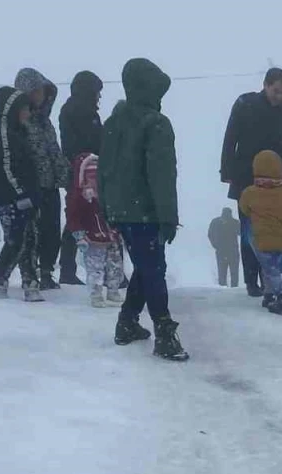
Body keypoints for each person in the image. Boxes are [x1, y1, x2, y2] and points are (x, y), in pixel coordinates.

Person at [99, 58, 188, 361]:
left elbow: (104, 171)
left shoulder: (113, 123)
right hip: (147, 211)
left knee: (145, 264)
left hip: (122, 211)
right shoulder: (156, 123)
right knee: (153, 268)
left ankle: (127, 323)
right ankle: (164, 332)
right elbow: (162, 174)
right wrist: (168, 217)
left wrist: (107, 207)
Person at [220, 68, 282, 298]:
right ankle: (251, 281)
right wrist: (227, 170)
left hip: (277, 184)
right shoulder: (245, 104)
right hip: (246, 178)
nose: (279, 97)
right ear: (265, 85)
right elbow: (230, 138)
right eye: (276, 91)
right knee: (248, 231)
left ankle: (269, 279)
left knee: (271, 232)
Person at [0, 87, 42, 301]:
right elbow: (6, 169)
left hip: (26, 198)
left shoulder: (19, 134)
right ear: (12, 110)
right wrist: (21, 194)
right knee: (15, 240)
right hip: (11, 200)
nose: (28, 113)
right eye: (25, 108)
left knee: (30, 238)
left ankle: (30, 281)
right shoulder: (3, 134)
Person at [14, 68, 70, 290]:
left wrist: (67, 176)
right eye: (37, 91)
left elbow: (54, 153)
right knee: (31, 233)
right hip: (31, 188)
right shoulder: (19, 123)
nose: (41, 95)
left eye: (43, 91)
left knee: (51, 230)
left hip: (50, 186)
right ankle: (31, 273)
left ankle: (46, 271)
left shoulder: (46, 123)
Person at [239, 150, 282, 315]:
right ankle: (269, 296)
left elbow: (244, 209)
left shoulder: (250, 192)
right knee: (270, 267)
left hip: (261, 240)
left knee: (270, 269)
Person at [57, 70, 105, 286]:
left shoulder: (81, 111)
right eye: (97, 92)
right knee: (83, 218)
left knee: (80, 219)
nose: (99, 97)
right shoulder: (78, 111)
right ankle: (69, 270)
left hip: (86, 170)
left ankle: (70, 269)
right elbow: (86, 142)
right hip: (82, 171)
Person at [64, 152, 123, 308]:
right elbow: (73, 217)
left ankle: (113, 290)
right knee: (95, 267)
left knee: (115, 264)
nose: (94, 180)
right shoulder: (79, 196)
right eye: (90, 176)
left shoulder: (107, 194)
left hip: (110, 235)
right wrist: (79, 235)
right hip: (91, 237)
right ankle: (96, 294)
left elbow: (115, 212)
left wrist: (118, 228)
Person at [208, 208, 241, 287]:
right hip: (230, 250)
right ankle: (232, 288)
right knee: (232, 273)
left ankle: (225, 288)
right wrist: (215, 245)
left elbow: (210, 234)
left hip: (225, 250)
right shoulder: (234, 222)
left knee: (224, 273)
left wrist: (215, 245)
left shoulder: (216, 222)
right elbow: (210, 234)